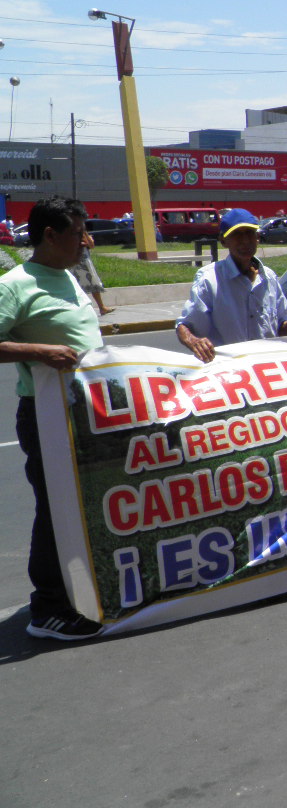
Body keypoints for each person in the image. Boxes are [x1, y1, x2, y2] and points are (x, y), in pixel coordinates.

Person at [0, 197, 104, 639]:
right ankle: (47, 608)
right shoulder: (15, 285)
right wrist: (38, 351)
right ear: (50, 234)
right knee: (56, 507)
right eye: (78, 232)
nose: (86, 241)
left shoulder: (68, 275)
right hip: (47, 414)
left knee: (84, 504)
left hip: (87, 411)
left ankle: (79, 591)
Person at [176, 209, 287, 363]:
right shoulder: (209, 279)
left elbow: (280, 326)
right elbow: (184, 326)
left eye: (250, 233)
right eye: (237, 234)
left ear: (257, 238)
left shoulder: (269, 277)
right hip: (227, 368)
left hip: (264, 366)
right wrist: (194, 341)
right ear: (223, 241)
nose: (245, 241)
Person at [69, 227, 114, 316]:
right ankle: (101, 307)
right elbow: (90, 244)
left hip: (75, 260)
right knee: (90, 282)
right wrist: (88, 239)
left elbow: (89, 244)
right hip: (81, 260)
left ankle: (101, 307)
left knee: (82, 283)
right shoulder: (78, 229)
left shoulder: (74, 230)